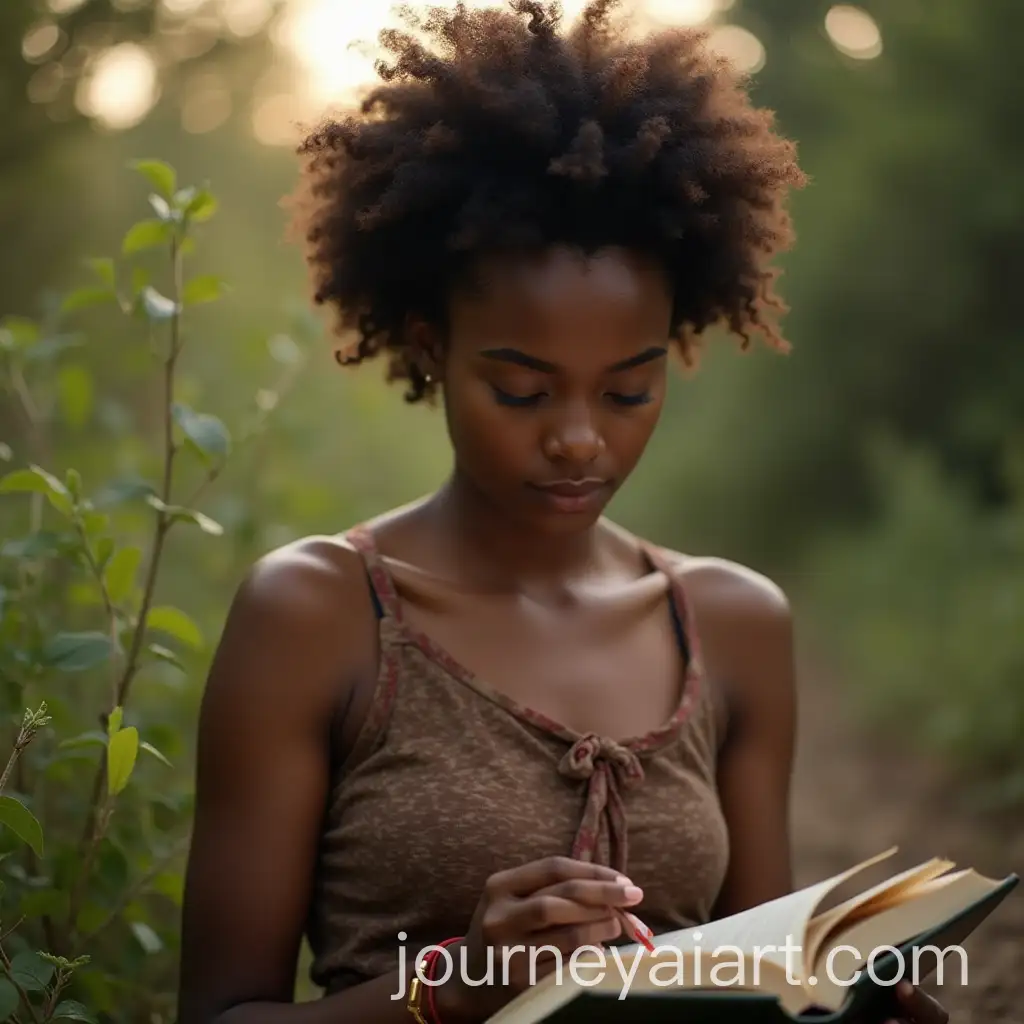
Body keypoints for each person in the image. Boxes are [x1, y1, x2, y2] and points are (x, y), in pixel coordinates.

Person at [176, 2, 950, 1022]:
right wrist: (452, 990)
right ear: (430, 348)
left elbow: (765, 984)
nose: (580, 439)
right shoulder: (318, 616)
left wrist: (840, 1007)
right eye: (523, 391)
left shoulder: (733, 623)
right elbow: (220, 1012)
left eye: (628, 391)